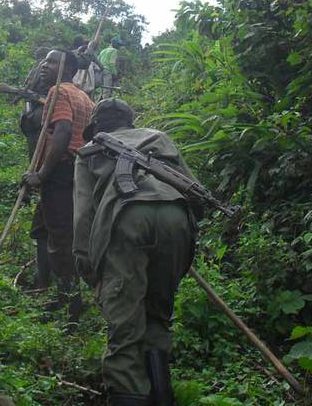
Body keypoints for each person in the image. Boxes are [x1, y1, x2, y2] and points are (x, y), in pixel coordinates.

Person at [73, 99, 201, 406]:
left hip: (125, 219)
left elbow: (83, 214)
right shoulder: (158, 137)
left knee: (125, 324)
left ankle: (129, 393)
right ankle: (161, 396)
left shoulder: (89, 149)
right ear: (131, 123)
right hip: (176, 215)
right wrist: (176, 231)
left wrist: (86, 263)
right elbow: (194, 190)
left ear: (97, 126)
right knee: (157, 315)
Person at [22, 49, 95, 319]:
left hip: (61, 171)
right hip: (77, 172)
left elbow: (62, 132)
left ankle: (71, 303)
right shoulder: (84, 96)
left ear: (65, 67)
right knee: (48, 229)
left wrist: (41, 174)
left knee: (61, 238)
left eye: (51, 61)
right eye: (44, 60)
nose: (44, 65)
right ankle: (55, 291)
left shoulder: (58, 93)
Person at [19, 47, 52, 289]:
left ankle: (48, 285)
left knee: (46, 228)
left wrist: (40, 175)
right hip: (38, 121)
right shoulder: (76, 96)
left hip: (54, 174)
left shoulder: (62, 98)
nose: (44, 68)